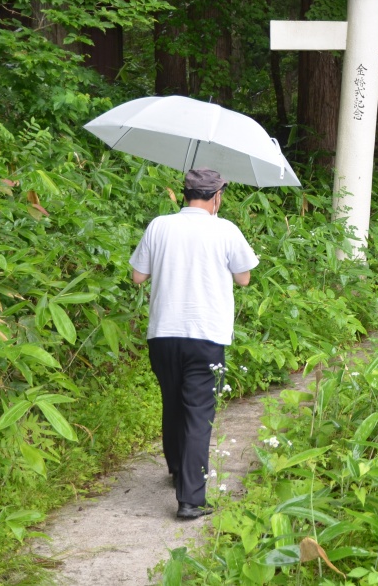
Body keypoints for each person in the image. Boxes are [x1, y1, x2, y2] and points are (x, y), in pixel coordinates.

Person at [129, 168, 259, 520]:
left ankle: (177, 469)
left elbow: (138, 276)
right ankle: (191, 500)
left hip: (163, 334)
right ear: (216, 196)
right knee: (199, 414)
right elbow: (244, 279)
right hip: (206, 335)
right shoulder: (225, 229)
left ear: (184, 194)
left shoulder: (159, 226)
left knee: (173, 402)